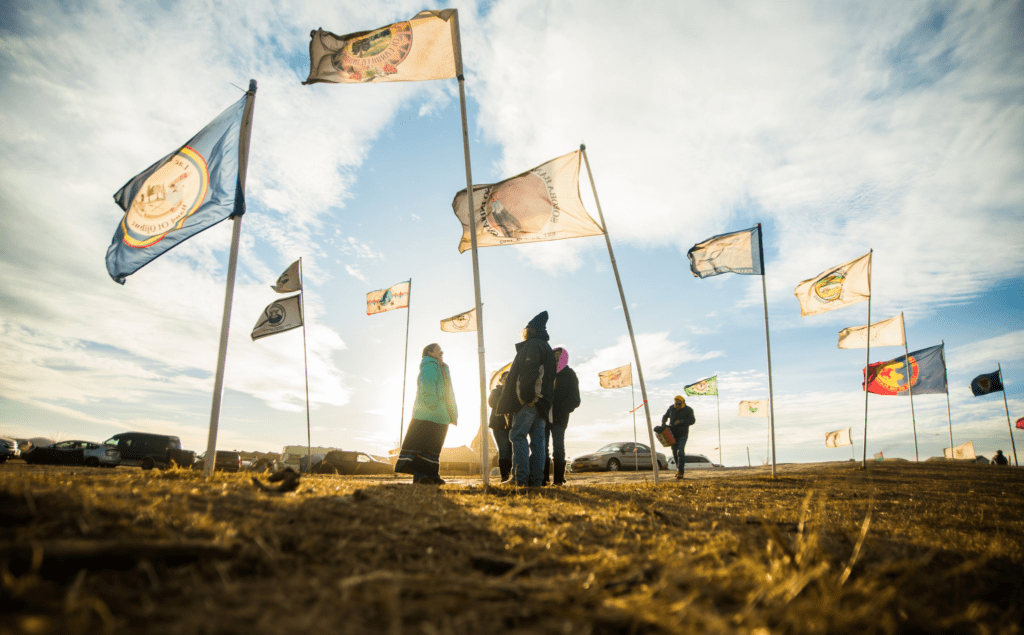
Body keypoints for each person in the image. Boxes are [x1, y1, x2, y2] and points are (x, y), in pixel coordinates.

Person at [495, 311, 556, 487]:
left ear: (531, 330)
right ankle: (536, 481)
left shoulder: (533, 345)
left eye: (526, 329)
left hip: (530, 401)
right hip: (543, 403)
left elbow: (530, 371)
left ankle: (519, 479)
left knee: (518, 435)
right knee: (538, 443)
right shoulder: (547, 348)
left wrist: (528, 397)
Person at [394, 343, 458, 484]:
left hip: (441, 416)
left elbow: (449, 393)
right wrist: (432, 404)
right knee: (422, 447)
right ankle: (421, 477)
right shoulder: (430, 365)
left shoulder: (443, 368)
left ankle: (432, 475)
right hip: (428, 414)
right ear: (429, 353)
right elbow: (427, 385)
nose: (442, 352)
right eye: (438, 350)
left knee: (433, 449)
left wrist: (450, 413)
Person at [543, 348, 580, 486]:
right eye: (554, 356)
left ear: (565, 358)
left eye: (559, 356)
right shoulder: (546, 373)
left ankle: (558, 480)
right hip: (544, 417)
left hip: (559, 418)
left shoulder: (569, 374)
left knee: (558, 447)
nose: (556, 358)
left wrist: (563, 409)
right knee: (542, 448)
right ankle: (544, 479)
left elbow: (575, 399)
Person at [662, 395, 695, 479]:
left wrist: (681, 421)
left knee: (680, 451)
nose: (677, 405)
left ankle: (680, 471)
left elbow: (692, 420)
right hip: (672, 434)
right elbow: (665, 416)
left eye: (679, 404)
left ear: (683, 402)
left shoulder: (688, 409)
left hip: (683, 434)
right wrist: (663, 424)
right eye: (676, 403)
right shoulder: (671, 408)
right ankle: (678, 469)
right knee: (674, 452)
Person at [489, 371, 512, 481]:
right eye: (505, 378)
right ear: (501, 380)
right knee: (503, 449)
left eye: (509, 378)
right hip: (498, 424)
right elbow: (492, 403)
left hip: (511, 424)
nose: (507, 380)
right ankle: (505, 477)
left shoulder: (514, 391)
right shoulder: (495, 391)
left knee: (511, 450)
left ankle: (510, 476)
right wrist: (504, 394)